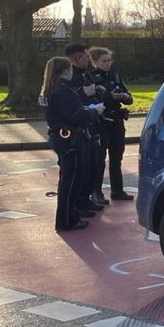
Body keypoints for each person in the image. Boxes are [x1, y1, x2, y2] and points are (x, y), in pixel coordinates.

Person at [42, 56, 104, 232]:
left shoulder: (47, 91)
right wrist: (95, 111)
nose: (71, 73)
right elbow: (77, 116)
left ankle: (70, 217)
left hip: (59, 137)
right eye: (69, 69)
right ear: (65, 72)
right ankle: (67, 220)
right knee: (71, 181)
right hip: (70, 139)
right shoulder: (64, 91)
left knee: (68, 179)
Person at [65, 43, 108, 210]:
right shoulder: (70, 79)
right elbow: (71, 102)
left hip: (92, 124)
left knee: (91, 165)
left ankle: (86, 199)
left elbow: (94, 93)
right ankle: (79, 203)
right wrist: (86, 93)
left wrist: (96, 91)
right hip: (78, 129)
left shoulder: (86, 75)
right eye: (85, 57)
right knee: (80, 169)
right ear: (77, 58)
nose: (88, 60)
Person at [89, 47, 134, 201]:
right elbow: (92, 102)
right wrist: (110, 98)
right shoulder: (91, 78)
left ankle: (117, 190)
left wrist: (124, 97)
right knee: (99, 159)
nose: (108, 64)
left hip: (117, 121)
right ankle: (97, 192)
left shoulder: (115, 75)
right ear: (95, 62)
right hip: (102, 122)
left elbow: (130, 98)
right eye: (104, 61)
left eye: (109, 60)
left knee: (117, 158)